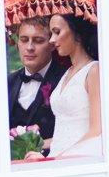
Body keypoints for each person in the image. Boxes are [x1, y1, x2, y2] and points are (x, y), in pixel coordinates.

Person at [27, 13, 100, 159]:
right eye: (51, 34)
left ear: (76, 32)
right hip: (59, 156)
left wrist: (56, 160)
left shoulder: (94, 70)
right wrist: (39, 144)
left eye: (57, 32)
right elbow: (67, 132)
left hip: (80, 158)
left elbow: (96, 130)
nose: (52, 40)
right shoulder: (68, 72)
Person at [7, 17, 66, 149]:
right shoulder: (6, 82)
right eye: (24, 40)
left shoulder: (66, 78)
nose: (29, 47)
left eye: (38, 41)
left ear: (52, 44)